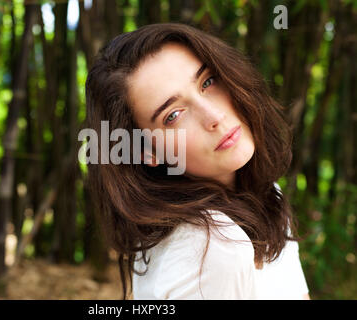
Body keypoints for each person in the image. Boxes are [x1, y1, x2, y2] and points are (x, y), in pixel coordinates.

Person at [84, 23, 310, 300]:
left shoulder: (265, 194)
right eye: (173, 115)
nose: (213, 115)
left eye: (208, 82)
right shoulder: (213, 245)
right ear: (148, 153)